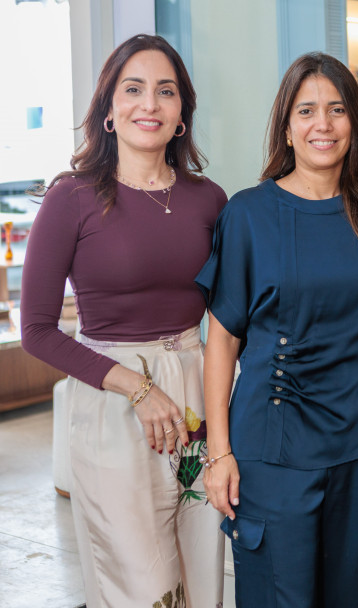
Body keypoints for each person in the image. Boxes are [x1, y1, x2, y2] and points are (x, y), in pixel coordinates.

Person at [21, 35, 227, 607]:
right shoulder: (72, 198)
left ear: (182, 111)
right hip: (113, 404)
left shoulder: (209, 200)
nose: (149, 105)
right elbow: (36, 329)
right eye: (132, 89)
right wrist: (138, 387)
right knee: (140, 585)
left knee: (203, 573)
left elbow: (233, 317)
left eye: (166, 91)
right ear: (108, 108)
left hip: (198, 404)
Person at [195, 52, 358, 608]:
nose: (322, 125)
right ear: (286, 124)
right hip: (270, 452)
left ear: (355, 121)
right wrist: (219, 453)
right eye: (307, 111)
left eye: (336, 110)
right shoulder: (249, 213)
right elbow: (223, 343)